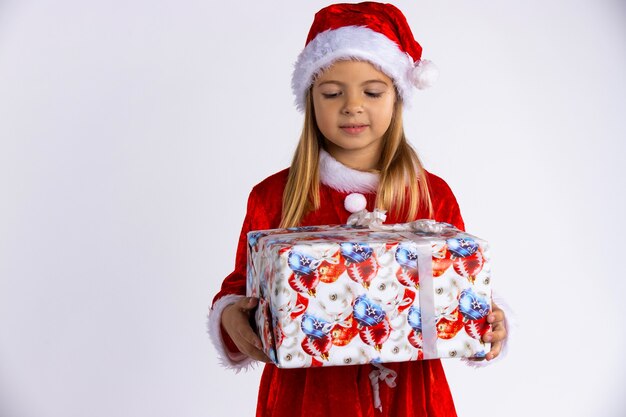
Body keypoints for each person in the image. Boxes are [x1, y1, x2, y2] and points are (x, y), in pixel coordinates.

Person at [208, 2, 510, 416]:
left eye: (372, 91)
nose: (352, 106)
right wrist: (230, 318)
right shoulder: (274, 195)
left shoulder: (431, 195)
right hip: (307, 399)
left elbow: (462, 286)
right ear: (310, 100)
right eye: (332, 93)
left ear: (397, 97)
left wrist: (490, 323)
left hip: (411, 396)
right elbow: (241, 286)